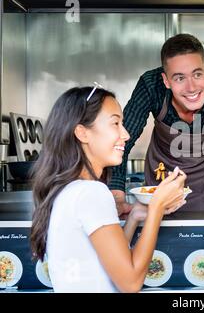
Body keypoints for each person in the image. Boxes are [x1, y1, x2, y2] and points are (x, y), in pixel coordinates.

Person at [30, 86, 187, 292]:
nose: (126, 134)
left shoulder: (69, 189)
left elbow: (105, 259)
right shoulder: (91, 192)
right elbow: (130, 282)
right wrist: (157, 206)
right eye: (115, 123)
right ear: (82, 133)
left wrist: (135, 217)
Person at [109, 33, 204, 217]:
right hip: (162, 188)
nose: (191, 87)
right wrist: (116, 195)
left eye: (197, 74)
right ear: (166, 81)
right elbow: (122, 139)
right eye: (180, 78)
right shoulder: (151, 86)